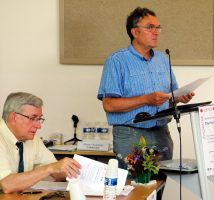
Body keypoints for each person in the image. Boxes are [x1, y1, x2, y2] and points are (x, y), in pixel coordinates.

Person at [97, 7, 195, 169]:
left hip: (161, 133)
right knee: (132, 189)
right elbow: (109, 105)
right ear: (135, 32)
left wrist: (179, 98)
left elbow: (169, 98)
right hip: (130, 135)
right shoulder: (117, 61)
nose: (156, 32)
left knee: (158, 185)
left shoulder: (163, 60)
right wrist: (146, 99)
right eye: (150, 27)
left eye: (158, 27)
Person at [0, 92, 81, 194]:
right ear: (13, 117)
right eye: (33, 118)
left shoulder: (32, 139)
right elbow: (8, 185)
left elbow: (57, 171)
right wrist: (49, 169)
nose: (38, 126)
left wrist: (77, 170)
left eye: (39, 119)